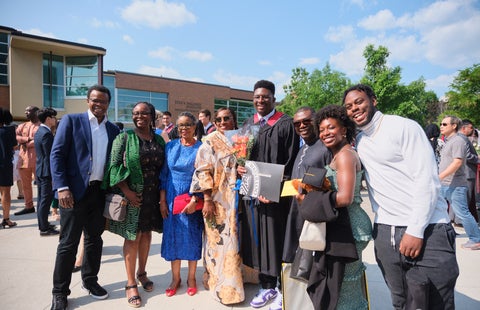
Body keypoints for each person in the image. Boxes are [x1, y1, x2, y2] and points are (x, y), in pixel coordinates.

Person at [343, 84, 458, 309]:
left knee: (435, 303)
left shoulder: (403, 127)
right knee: (402, 301)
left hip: (427, 229)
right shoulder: (362, 141)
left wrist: (415, 230)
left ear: (373, 100)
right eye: (348, 106)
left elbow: (427, 180)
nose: (354, 108)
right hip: (386, 232)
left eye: (359, 102)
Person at [49, 84, 120, 310]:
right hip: (73, 193)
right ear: (88, 101)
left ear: (108, 104)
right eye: (95, 100)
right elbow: (57, 154)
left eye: (103, 101)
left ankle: (90, 281)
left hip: (98, 193)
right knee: (68, 244)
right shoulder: (72, 121)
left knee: (94, 240)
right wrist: (61, 187)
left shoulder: (112, 130)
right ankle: (60, 292)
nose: (99, 104)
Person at [238, 80, 299, 310]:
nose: (260, 101)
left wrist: (272, 190)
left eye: (265, 97)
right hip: (253, 194)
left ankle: (283, 287)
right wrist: (239, 167)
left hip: (277, 197)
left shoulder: (285, 124)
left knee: (277, 238)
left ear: (273, 98)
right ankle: (266, 285)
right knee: (259, 239)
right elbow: (241, 156)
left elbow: (292, 162)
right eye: (256, 97)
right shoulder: (248, 125)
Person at [310, 105, 372, 309]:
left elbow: (345, 197)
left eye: (331, 128)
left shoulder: (345, 155)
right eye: (321, 129)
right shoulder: (339, 153)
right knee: (343, 286)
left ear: (344, 129)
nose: (325, 133)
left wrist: (310, 202)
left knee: (344, 289)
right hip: (343, 226)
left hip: (350, 229)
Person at [104, 101, 165, 307]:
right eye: (135, 113)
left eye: (144, 113)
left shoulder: (158, 139)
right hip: (133, 196)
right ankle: (130, 283)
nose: (139, 116)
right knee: (133, 236)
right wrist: (127, 192)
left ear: (152, 116)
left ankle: (142, 273)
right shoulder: (124, 137)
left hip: (152, 195)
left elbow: (163, 168)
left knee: (146, 234)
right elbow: (113, 166)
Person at [190, 107, 244, 304]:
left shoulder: (242, 139)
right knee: (218, 242)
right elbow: (203, 171)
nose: (222, 122)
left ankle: (240, 279)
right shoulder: (209, 141)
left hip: (240, 199)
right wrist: (207, 200)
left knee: (238, 240)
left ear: (234, 120)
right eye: (219, 119)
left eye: (226, 118)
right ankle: (221, 284)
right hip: (218, 201)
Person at [281, 107, 331, 309]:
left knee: (313, 261)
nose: (301, 126)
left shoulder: (325, 147)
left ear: (316, 121)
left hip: (314, 215)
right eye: (297, 123)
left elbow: (329, 183)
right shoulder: (303, 148)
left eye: (306, 121)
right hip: (297, 210)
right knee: (297, 258)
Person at [160, 112, 204, 297]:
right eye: (180, 125)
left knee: (192, 237)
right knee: (173, 238)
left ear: (195, 127)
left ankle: (191, 278)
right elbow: (164, 175)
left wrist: (195, 199)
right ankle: (175, 278)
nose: (183, 128)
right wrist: (162, 201)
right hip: (171, 198)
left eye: (187, 125)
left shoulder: (202, 148)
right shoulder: (170, 146)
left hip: (191, 197)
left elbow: (204, 176)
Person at [439, 115, 480, 249]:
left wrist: (439, 177)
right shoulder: (449, 141)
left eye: (445, 124)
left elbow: (457, 162)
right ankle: (447, 232)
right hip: (446, 183)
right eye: (441, 124)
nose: (441, 126)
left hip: (455, 184)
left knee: (463, 213)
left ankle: (476, 239)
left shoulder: (457, 141)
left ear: (454, 126)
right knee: (441, 210)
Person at [34, 107, 60, 236]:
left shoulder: (39, 131)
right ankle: (44, 228)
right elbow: (51, 155)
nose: (55, 119)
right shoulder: (46, 134)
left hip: (40, 169)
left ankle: (42, 224)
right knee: (45, 200)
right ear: (49, 119)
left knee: (41, 200)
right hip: (46, 171)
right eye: (54, 117)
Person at [14, 105, 40, 216]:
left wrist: (24, 142)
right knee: (26, 185)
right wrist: (28, 139)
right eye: (25, 111)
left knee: (41, 185)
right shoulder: (22, 125)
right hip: (23, 160)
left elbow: (39, 140)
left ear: (36, 112)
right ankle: (28, 206)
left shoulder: (41, 126)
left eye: (28, 111)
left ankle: (42, 207)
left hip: (37, 160)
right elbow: (16, 137)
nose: (26, 113)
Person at [0, 108, 17, 228]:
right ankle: (6, 219)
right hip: (5, 164)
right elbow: (15, 146)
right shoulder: (9, 131)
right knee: (6, 192)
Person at [459, 119, 479, 222]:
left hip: (468, 172)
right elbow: (467, 155)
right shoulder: (463, 139)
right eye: (470, 127)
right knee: (467, 198)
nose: (472, 129)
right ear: (464, 128)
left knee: (470, 198)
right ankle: (463, 221)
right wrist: (478, 158)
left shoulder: (462, 138)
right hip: (467, 172)